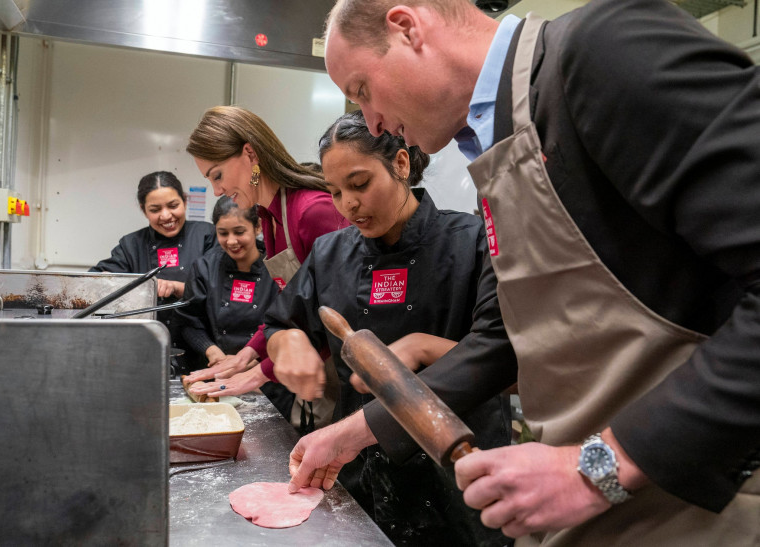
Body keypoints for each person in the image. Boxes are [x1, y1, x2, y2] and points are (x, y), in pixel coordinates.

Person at [286, 0, 760, 545]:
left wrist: (599, 467)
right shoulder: (499, 142)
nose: (371, 122)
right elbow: (503, 339)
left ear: (407, 26)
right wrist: (361, 430)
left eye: (364, 90)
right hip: (592, 507)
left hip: (696, 505)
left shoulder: (603, 50)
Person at [263, 110, 510, 545]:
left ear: (400, 164)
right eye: (335, 192)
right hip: (356, 471)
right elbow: (281, 325)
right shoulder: (329, 252)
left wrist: (421, 348)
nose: (348, 205)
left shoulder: (472, 243)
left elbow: (503, 359)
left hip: (458, 475)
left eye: (359, 185)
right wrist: (290, 344)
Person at [184, 106, 349, 431]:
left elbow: (338, 317)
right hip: (315, 375)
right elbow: (289, 307)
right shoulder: (271, 218)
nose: (217, 191)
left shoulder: (312, 211)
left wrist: (262, 371)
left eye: (217, 175)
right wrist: (245, 355)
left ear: (249, 153)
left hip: (345, 376)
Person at [174, 197, 293, 415]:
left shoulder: (277, 266)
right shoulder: (204, 268)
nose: (231, 241)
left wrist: (253, 360)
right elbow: (190, 322)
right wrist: (214, 353)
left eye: (239, 232)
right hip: (217, 378)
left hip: (268, 381)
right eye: (223, 233)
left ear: (257, 226)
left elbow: (285, 322)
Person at [90, 170, 217, 373]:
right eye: (155, 209)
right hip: (144, 352)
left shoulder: (207, 236)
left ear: (185, 200)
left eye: (173, 205)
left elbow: (220, 291)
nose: (166, 216)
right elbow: (96, 280)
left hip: (203, 353)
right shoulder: (131, 245)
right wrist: (115, 282)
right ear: (143, 210)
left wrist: (177, 287)